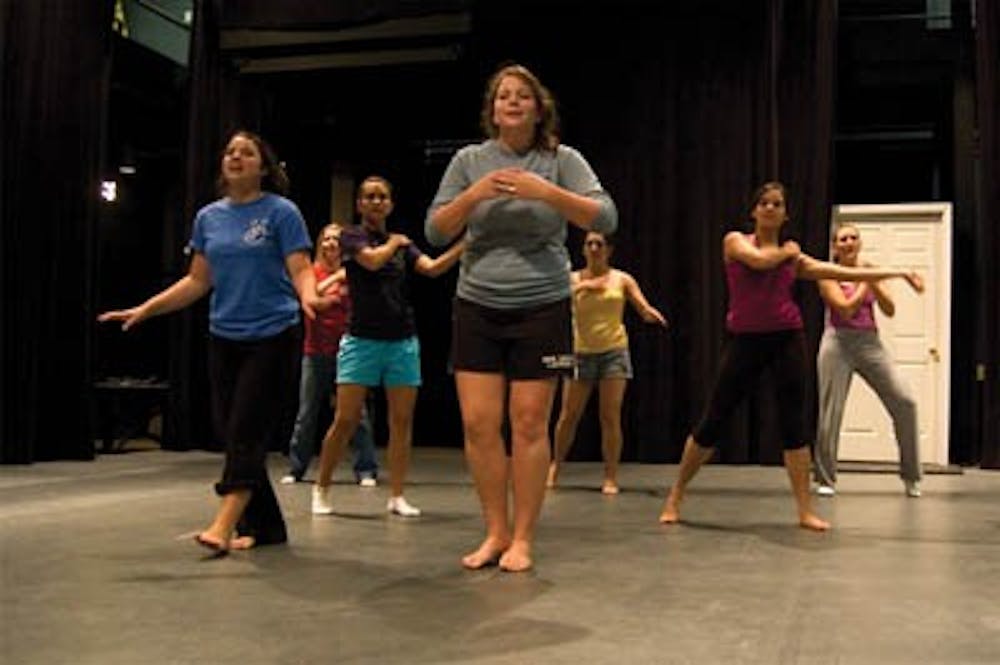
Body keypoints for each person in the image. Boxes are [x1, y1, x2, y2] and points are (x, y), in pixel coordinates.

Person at [426, 63, 618, 572]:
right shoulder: (470, 161)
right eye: (502, 96)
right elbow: (435, 231)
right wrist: (473, 195)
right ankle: (495, 532)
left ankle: (524, 539)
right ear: (492, 111)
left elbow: (605, 216)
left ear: (538, 108)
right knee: (479, 423)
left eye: (522, 96)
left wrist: (546, 192)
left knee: (530, 424)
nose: (511, 102)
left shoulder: (561, 160)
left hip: (542, 304)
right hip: (477, 303)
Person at [99, 130, 318, 554]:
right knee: (231, 430)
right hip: (225, 337)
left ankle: (224, 521)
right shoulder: (209, 218)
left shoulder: (281, 212)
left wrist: (309, 295)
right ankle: (268, 527)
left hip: (273, 334)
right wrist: (146, 308)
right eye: (230, 151)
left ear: (263, 167)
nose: (236, 157)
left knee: (244, 430)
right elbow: (198, 281)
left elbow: (302, 268)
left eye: (247, 152)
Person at [658, 181, 923, 531]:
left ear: (785, 214)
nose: (770, 208)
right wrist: (790, 254)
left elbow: (845, 272)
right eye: (764, 203)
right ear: (754, 211)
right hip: (744, 341)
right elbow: (759, 260)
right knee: (713, 420)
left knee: (794, 426)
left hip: (786, 338)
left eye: (777, 204)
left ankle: (804, 510)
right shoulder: (736, 241)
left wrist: (898, 273)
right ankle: (675, 495)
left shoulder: (793, 258)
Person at [311, 175, 465, 518]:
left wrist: (464, 245)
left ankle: (397, 495)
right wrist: (395, 242)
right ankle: (321, 488)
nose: (376, 202)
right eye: (369, 197)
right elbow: (371, 261)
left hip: (402, 341)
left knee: (401, 421)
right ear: (360, 204)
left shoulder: (401, 245)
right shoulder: (352, 236)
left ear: (391, 204)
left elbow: (432, 268)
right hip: (361, 340)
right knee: (346, 418)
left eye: (382, 197)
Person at [547, 231, 667, 494]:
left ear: (608, 250)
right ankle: (555, 466)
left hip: (613, 351)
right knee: (568, 416)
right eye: (589, 244)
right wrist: (583, 287)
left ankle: (610, 476)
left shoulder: (621, 279)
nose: (593, 248)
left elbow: (641, 305)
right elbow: (555, 302)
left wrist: (649, 313)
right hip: (580, 352)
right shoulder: (573, 279)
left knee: (610, 417)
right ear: (583, 250)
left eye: (599, 244)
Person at [813, 222, 924, 497]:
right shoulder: (827, 274)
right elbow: (846, 309)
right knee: (831, 412)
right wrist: (866, 278)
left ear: (859, 243)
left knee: (905, 401)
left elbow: (889, 309)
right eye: (843, 239)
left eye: (853, 237)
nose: (849, 242)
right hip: (837, 342)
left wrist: (874, 278)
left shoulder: (872, 272)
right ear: (835, 247)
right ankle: (826, 479)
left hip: (870, 342)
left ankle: (912, 476)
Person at [280, 223, 379, 487]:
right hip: (315, 352)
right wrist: (334, 295)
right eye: (326, 239)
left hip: (349, 351)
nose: (331, 244)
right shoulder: (310, 273)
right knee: (307, 412)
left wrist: (333, 291)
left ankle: (366, 469)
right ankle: (296, 468)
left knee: (356, 414)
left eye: (336, 239)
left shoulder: (355, 273)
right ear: (320, 243)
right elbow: (312, 301)